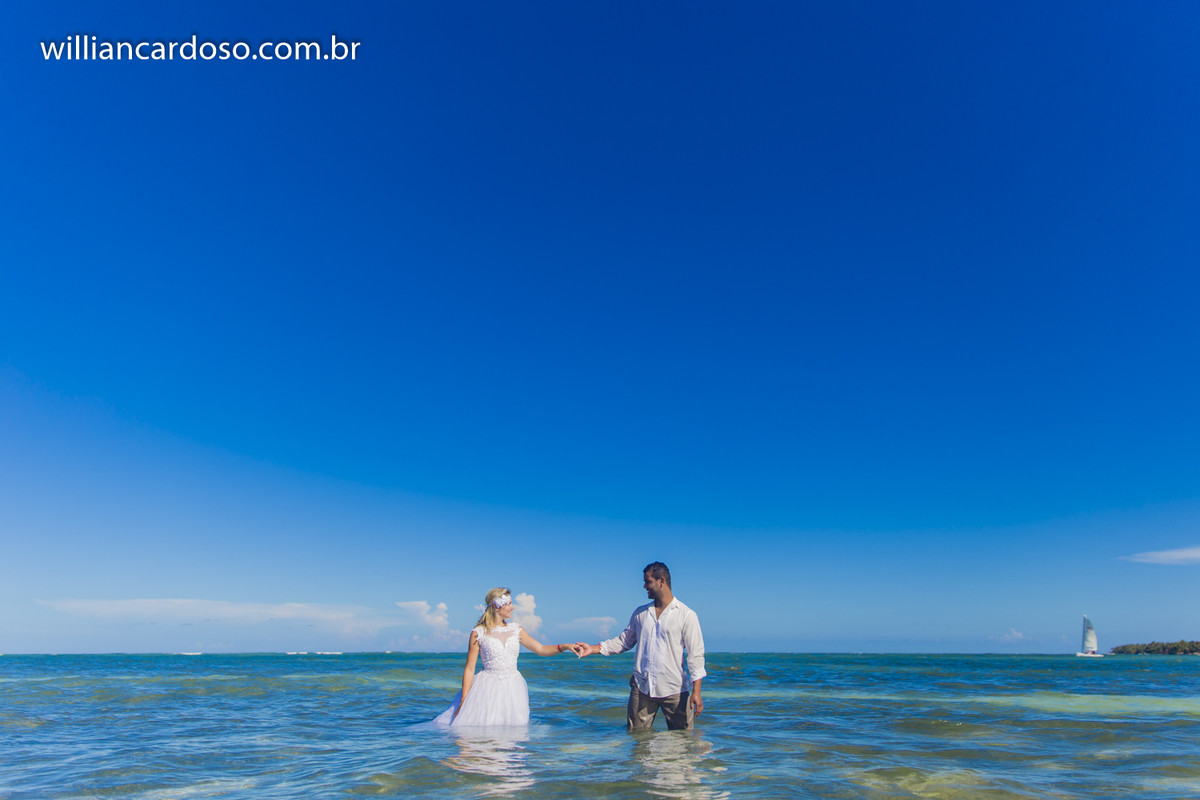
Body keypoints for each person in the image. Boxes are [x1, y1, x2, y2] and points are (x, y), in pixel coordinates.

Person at [575, 562, 706, 730]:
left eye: (648, 581)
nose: (644, 586)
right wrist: (593, 648)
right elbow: (624, 641)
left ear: (661, 581)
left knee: (682, 743)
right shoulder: (640, 613)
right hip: (642, 687)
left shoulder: (687, 615)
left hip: (674, 690)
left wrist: (697, 692)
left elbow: (695, 655)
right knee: (637, 740)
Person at [435, 587, 579, 727]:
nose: (513, 607)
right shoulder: (478, 633)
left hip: (513, 686)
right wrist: (463, 701)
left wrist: (564, 647)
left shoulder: (516, 630)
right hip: (487, 687)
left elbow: (541, 649)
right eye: (509, 603)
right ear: (497, 606)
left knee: (513, 733)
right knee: (482, 729)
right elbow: (469, 669)